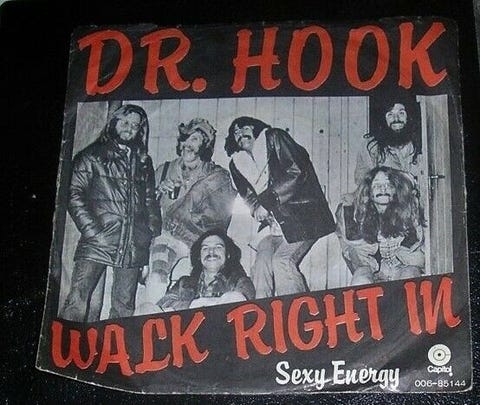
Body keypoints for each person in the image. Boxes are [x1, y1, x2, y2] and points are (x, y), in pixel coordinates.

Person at [60, 104, 162, 322]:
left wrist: (150, 231)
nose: (129, 128)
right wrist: (93, 231)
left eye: (135, 125)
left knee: (124, 306)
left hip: (133, 243)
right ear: (114, 123)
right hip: (98, 241)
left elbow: (150, 200)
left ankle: (114, 345)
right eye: (125, 122)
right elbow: (73, 194)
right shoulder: (91, 156)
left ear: (140, 130)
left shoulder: (143, 161)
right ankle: (69, 342)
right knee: (77, 299)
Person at [224, 116, 336, 298]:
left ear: (256, 128)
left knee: (281, 261)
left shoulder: (274, 137)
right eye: (235, 132)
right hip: (273, 227)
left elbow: (297, 171)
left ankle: (298, 311)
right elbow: (248, 196)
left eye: (245, 128)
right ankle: (262, 310)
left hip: (303, 217)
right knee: (261, 264)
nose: (241, 134)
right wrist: (256, 209)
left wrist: (267, 203)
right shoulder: (236, 164)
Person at [141, 118, 237, 306]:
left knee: (203, 286)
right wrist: (158, 193)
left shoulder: (217, 176)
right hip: (167, 236)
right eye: (185, 139)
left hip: (199, 240)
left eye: (194, 139)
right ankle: (153, 315)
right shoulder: (164, 170)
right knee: (156, 276)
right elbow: (146, 208)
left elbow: (222, 217)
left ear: (205, 145)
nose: (187, 144)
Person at [335, 166, 425, 286]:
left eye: (388, 185)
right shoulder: (357, 213)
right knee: (361, 280)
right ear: (369, 191)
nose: (383, 189)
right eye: (377, 185)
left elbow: (415, 245)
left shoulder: (407, 209)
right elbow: (353, 249)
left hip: (402, 265)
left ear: (395, 190)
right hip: (370, 266)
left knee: (410, 277)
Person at [154, 229, 255, 311]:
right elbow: (164, 304)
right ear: (199, 256)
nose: (211, 251)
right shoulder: (184, 283)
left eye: (218, 247)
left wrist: (205, 304)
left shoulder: (240, 281)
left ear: (228, 254)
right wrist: (193, 304)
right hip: (188, 329)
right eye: (205, 248)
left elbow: (244, 306)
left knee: (235, 296)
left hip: (223, 328)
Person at [355, 93, 422, 185]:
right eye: (390, 114)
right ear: (383, 119)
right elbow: (363, 180)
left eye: (401, 113)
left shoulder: (420, 144)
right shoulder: (371, 147)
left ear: (409, 117)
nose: (396, 119)